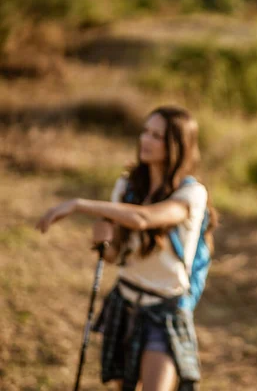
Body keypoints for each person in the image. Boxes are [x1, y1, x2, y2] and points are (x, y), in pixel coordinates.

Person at [36, 105, 217, 391]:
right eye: (145, 132)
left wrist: (78, 204)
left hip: (165, 310)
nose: (146, 140)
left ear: (177, 145)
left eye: (157, 136)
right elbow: (113, 256)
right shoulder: (128, 186)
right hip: (125, 303)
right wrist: (102, 242)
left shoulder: (192, 193)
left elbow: (143, 219)